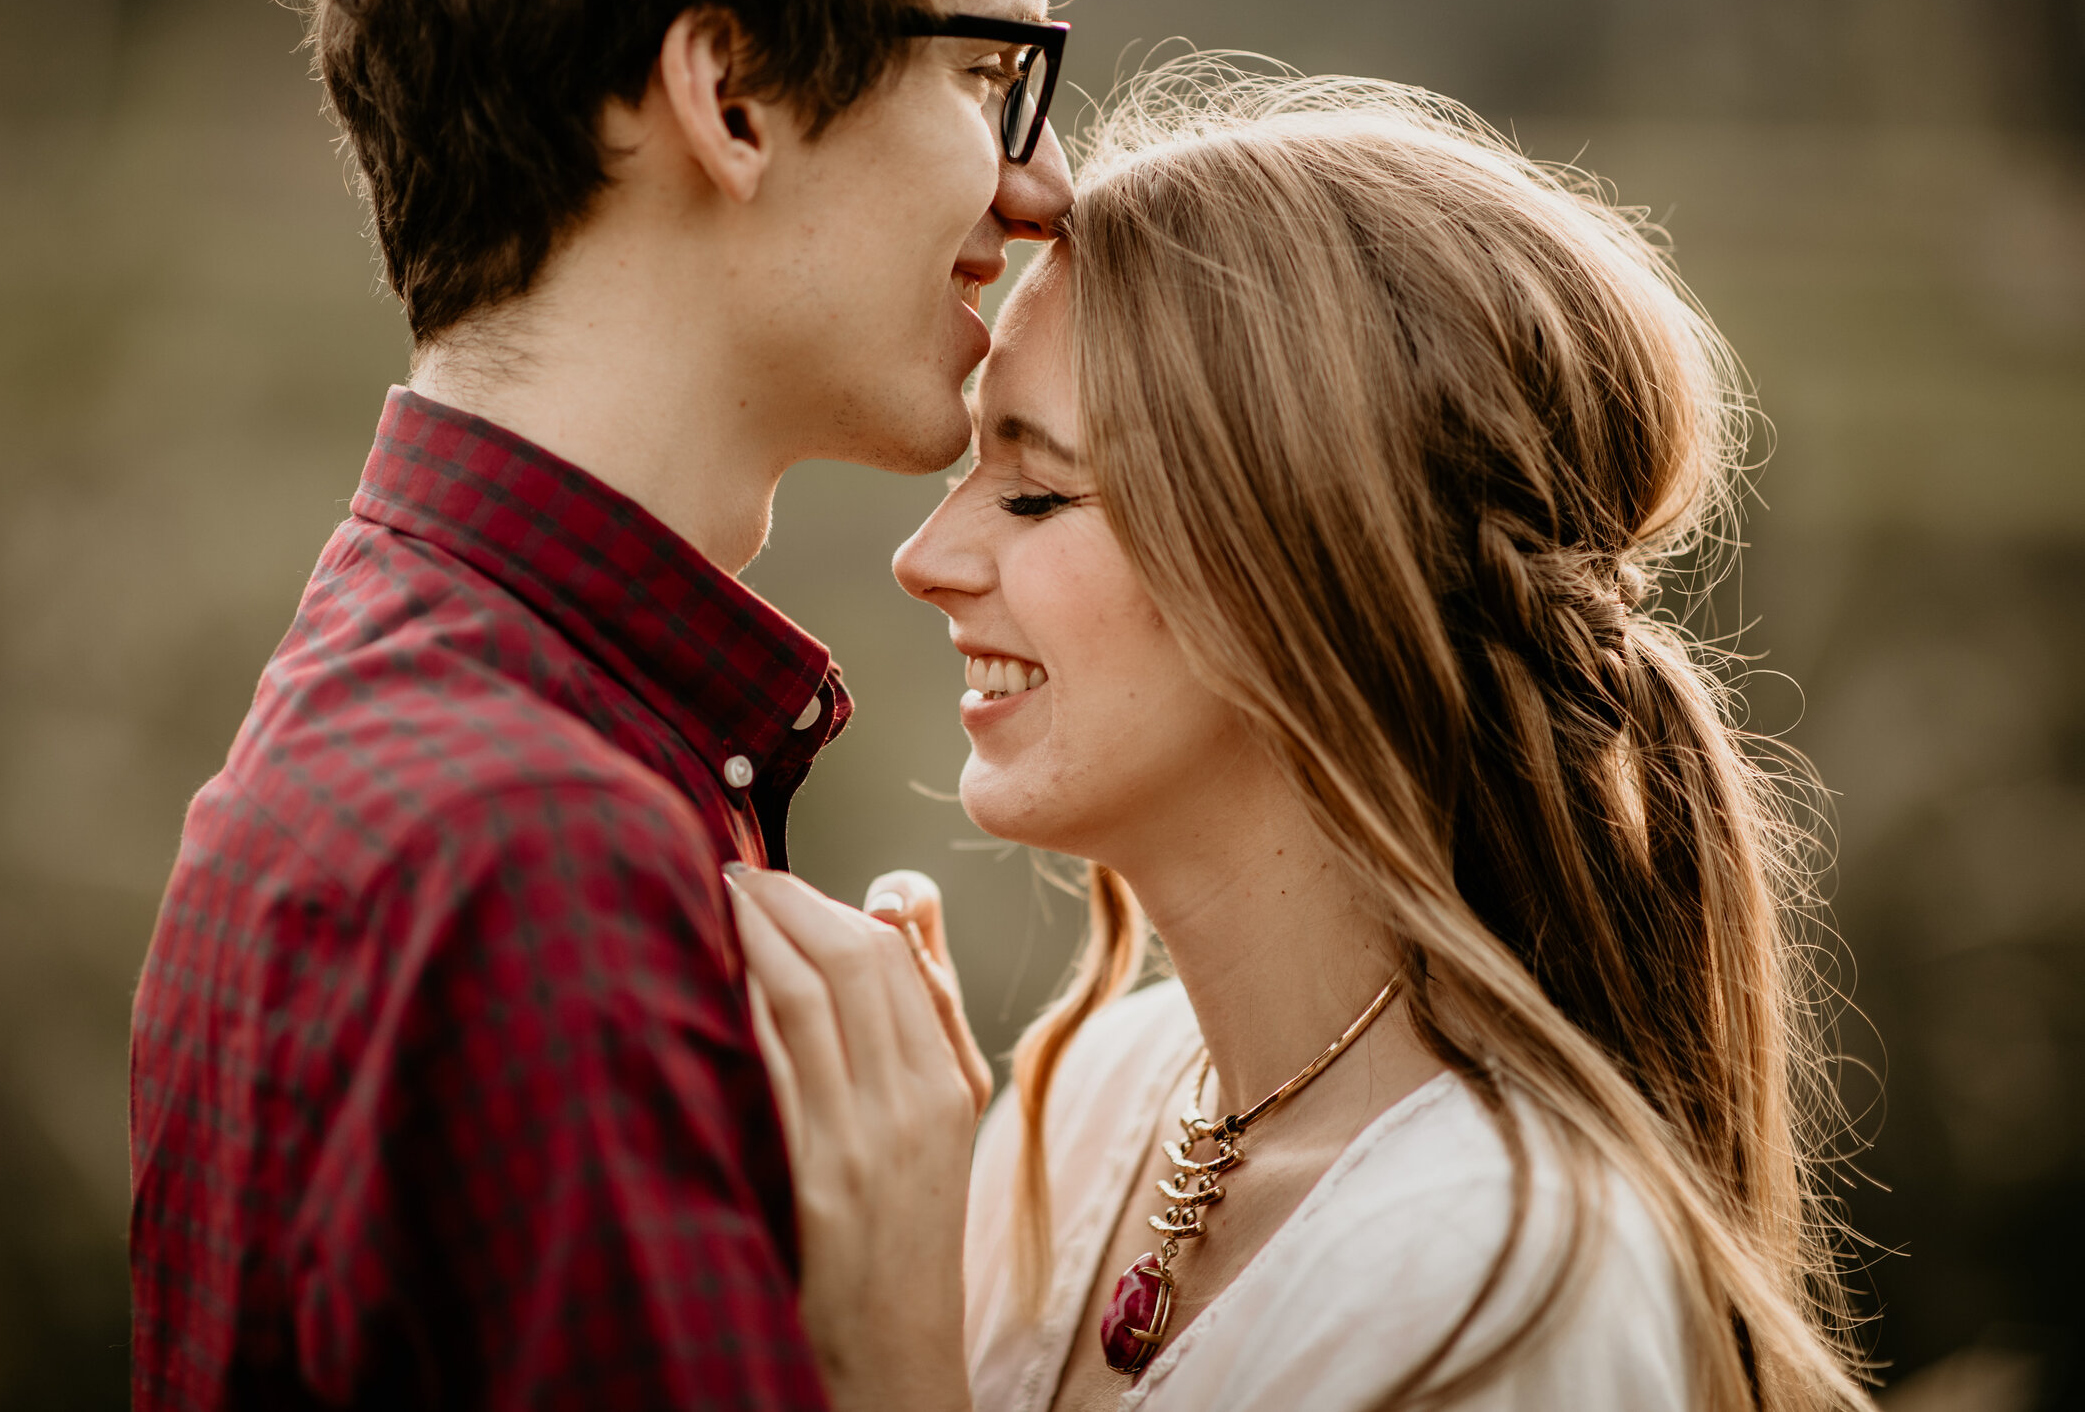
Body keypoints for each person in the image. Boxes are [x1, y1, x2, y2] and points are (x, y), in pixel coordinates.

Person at [122, 0, 1152, 1406]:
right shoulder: (541, 861)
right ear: (729, 96)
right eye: (984, 75)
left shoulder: (414, 721)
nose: (1040, 188)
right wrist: (899, 1358)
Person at [730, 70, 1878, 1411]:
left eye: (1035, 494)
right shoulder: (1095, 1094)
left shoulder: (1501, 1278)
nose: (925, 558)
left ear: (1306, 574)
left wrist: (883, 1348)